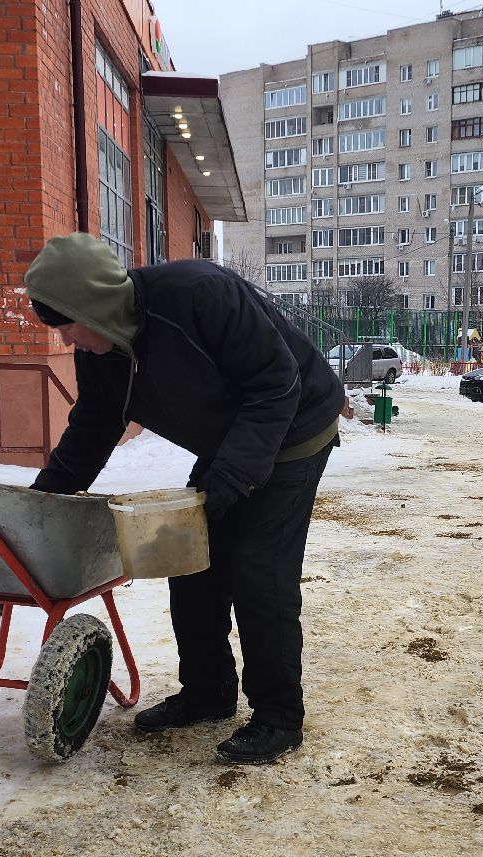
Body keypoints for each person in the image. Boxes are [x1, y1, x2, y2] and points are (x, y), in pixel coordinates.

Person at [20, 233, 344, 765]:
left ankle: (278, 716)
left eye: (66, 324)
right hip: (230, 440)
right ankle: (208, 692)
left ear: (94, 304)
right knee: (191, 562)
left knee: (259, 573)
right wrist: (37, 508)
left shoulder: (199, 295)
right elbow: (94, 425)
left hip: (296, 429)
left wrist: (230, 480)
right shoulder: (102, 349)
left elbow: (275, 384)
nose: (65, 338)